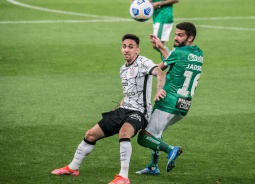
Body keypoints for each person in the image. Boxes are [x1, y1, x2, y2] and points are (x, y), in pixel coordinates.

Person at [51, 34, 166, 184]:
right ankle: (73, 167)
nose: (126, 50)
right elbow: (128, 92)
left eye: (131, 47)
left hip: (140, 112)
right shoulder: (123, 70)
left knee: (124, 133)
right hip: (123, 110)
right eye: (124, 46)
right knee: (91, 135)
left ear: (137, 50)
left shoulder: (143, 62)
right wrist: (118, 108)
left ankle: (123, 177)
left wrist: (158, 90)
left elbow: (160, 72)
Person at [135, 22, 204, 175]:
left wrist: (140, 71)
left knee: (144, 137)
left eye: (180, 35)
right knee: (156, 133)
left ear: (190, 37)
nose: (176, 38)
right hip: (183, 105)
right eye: (175, 34)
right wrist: (161, 46)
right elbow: (175, 59)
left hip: (167, 101)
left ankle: (171, 149)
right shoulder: (198, 53)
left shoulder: (178, 53)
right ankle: (153, 167)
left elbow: (159, 68)